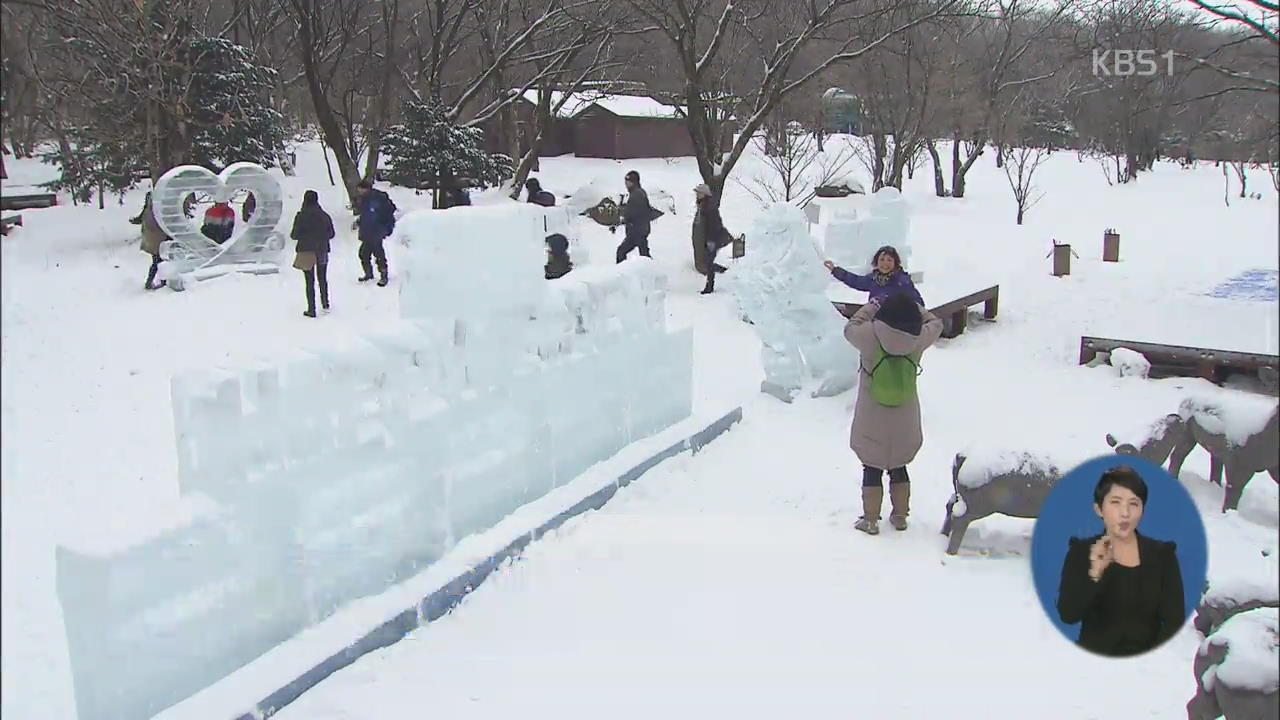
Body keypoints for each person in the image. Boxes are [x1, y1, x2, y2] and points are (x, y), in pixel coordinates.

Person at [842, 290, 944, 534]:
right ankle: (900, 516)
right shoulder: (918, 338)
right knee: (899, 465)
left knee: (872, 465)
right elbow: (937, 323)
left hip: (872, 413)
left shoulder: (869, 336)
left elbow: (850, 326)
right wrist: (918, 307)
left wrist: (873, 305)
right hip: (905, 415)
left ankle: (870, 519)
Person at [1056, 466, 1185, 657]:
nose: (1125, 513)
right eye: (1115, 502)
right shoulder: (1081, 553)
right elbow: (1068, 615)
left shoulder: (1163, 555)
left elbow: (1174, 621)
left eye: (1134, 504)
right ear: (1099, 509)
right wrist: (1095, 574)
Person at [825, 245, 924, 306]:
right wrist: (835, 270)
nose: (885, 264)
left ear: (895, 263)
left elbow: (918, 303)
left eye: (889, 260)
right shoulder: (873, 279)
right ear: (876, 262)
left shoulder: (902, 281)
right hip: (876, 320)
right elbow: (856, 281)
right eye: (882, 260)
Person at [290, 190, 335, 318]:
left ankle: (311, 309)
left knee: (309, 281)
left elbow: (294, 235)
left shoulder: (301, 216)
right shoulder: (324, 215)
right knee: (322, 278)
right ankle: (325, 303)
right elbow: (331, 233)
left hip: (306, 250)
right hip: (322, 249)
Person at [354, 178, 396, 286]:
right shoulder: (364, 199)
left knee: (378, 254)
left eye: (360, 189)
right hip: (368, 231)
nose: (358, 191)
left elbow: (381, 213)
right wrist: (359, 222)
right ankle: (369, 274)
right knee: (363, 253)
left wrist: (384, 227)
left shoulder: (376, 199)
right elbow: (365, 215)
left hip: (376, 230)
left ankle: (384, 275)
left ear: (365, 189)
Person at [691, 183, 732, 294]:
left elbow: (715, 225)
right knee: (708, 262)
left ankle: (710, 286)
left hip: (713, 239)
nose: (697, 195)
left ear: (704, 194)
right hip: (708, 240)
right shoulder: (702, 206)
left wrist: (711, 241)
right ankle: (725, 271)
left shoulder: (710, 208)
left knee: (709, 262)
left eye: (698, 193)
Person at [129, 191, 169, 290]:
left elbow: (139, 220)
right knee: (160, 261)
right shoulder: (156, 211)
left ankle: (153, 281)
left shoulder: (147, 210)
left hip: (151, 241)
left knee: (158, 261)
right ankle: (159, 282)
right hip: (158, 241)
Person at [615, 169, 653, 263]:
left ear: (633, 182)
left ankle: (621, 273)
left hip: (637, 230)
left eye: (628, 182)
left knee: (621, 251)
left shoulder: (637, 194)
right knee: (644, 254)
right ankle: (651, 270)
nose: (626, 184)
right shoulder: (638, 193)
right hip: (639, 230)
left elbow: (636, 212)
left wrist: (625, 218)